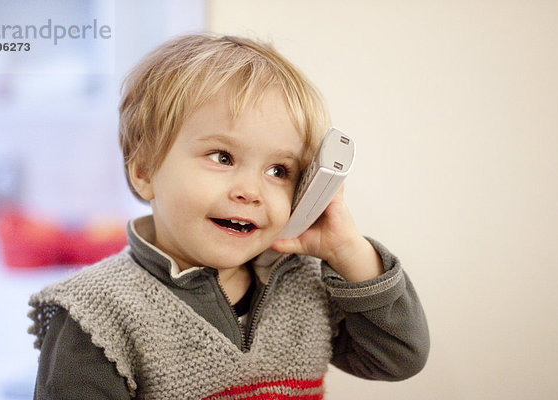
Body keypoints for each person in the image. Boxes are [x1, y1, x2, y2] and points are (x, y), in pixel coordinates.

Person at [28, 34, 429, 400]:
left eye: (279, 171)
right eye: (223, 157)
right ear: (144, 170)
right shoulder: (96, 314)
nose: (251, 191)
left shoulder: (305, 281)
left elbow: (398, 357)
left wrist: (346, 250)